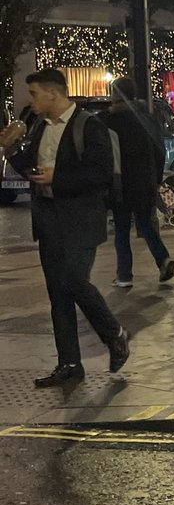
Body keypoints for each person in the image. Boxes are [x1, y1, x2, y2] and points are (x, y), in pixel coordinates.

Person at [0, 68, 129, 387]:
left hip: (81, 219)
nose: (30, 101)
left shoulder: (89, 125)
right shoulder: (38, 126)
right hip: (48, 220)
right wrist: (10, 149)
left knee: (73, 279)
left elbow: (99, 173)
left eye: (33, 94)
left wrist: (59, 178)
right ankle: (69, 363)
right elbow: (30, 169)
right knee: (58, 292)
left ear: (52, 93)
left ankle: (114, 333)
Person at [100, 77, 174, 287]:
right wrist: (157, 178)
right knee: (145, 223)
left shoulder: (109, 120)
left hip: (121, 183)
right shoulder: (146, 118)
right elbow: (159, 149)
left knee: (122, 229)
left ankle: (124, 275)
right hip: (144, 180)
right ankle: (163, 259)